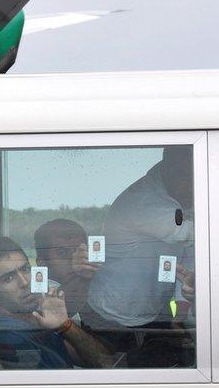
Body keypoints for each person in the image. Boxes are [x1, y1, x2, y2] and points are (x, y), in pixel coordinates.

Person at [81, 148, 194, 364]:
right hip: (109, 316)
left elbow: (189, 256)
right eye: (184, 176)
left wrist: (180, 313)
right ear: (168, 168)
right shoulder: (142, 199)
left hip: (155, 312)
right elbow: (185, 233)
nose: (191, 185)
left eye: (194, 176)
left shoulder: (184, 197)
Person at [0, 237, 110, 369]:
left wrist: (66, 325)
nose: (25, 282)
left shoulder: (33, 320)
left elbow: (103, 362)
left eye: (25, 269)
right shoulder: (8, 335)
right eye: (8, 278)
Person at [33, 219, 97, 318]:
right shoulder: (34, 294)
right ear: (42, 263)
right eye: (62, 253)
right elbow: (54, 313)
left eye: (78, 251)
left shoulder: (95, 281)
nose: (74, 259)